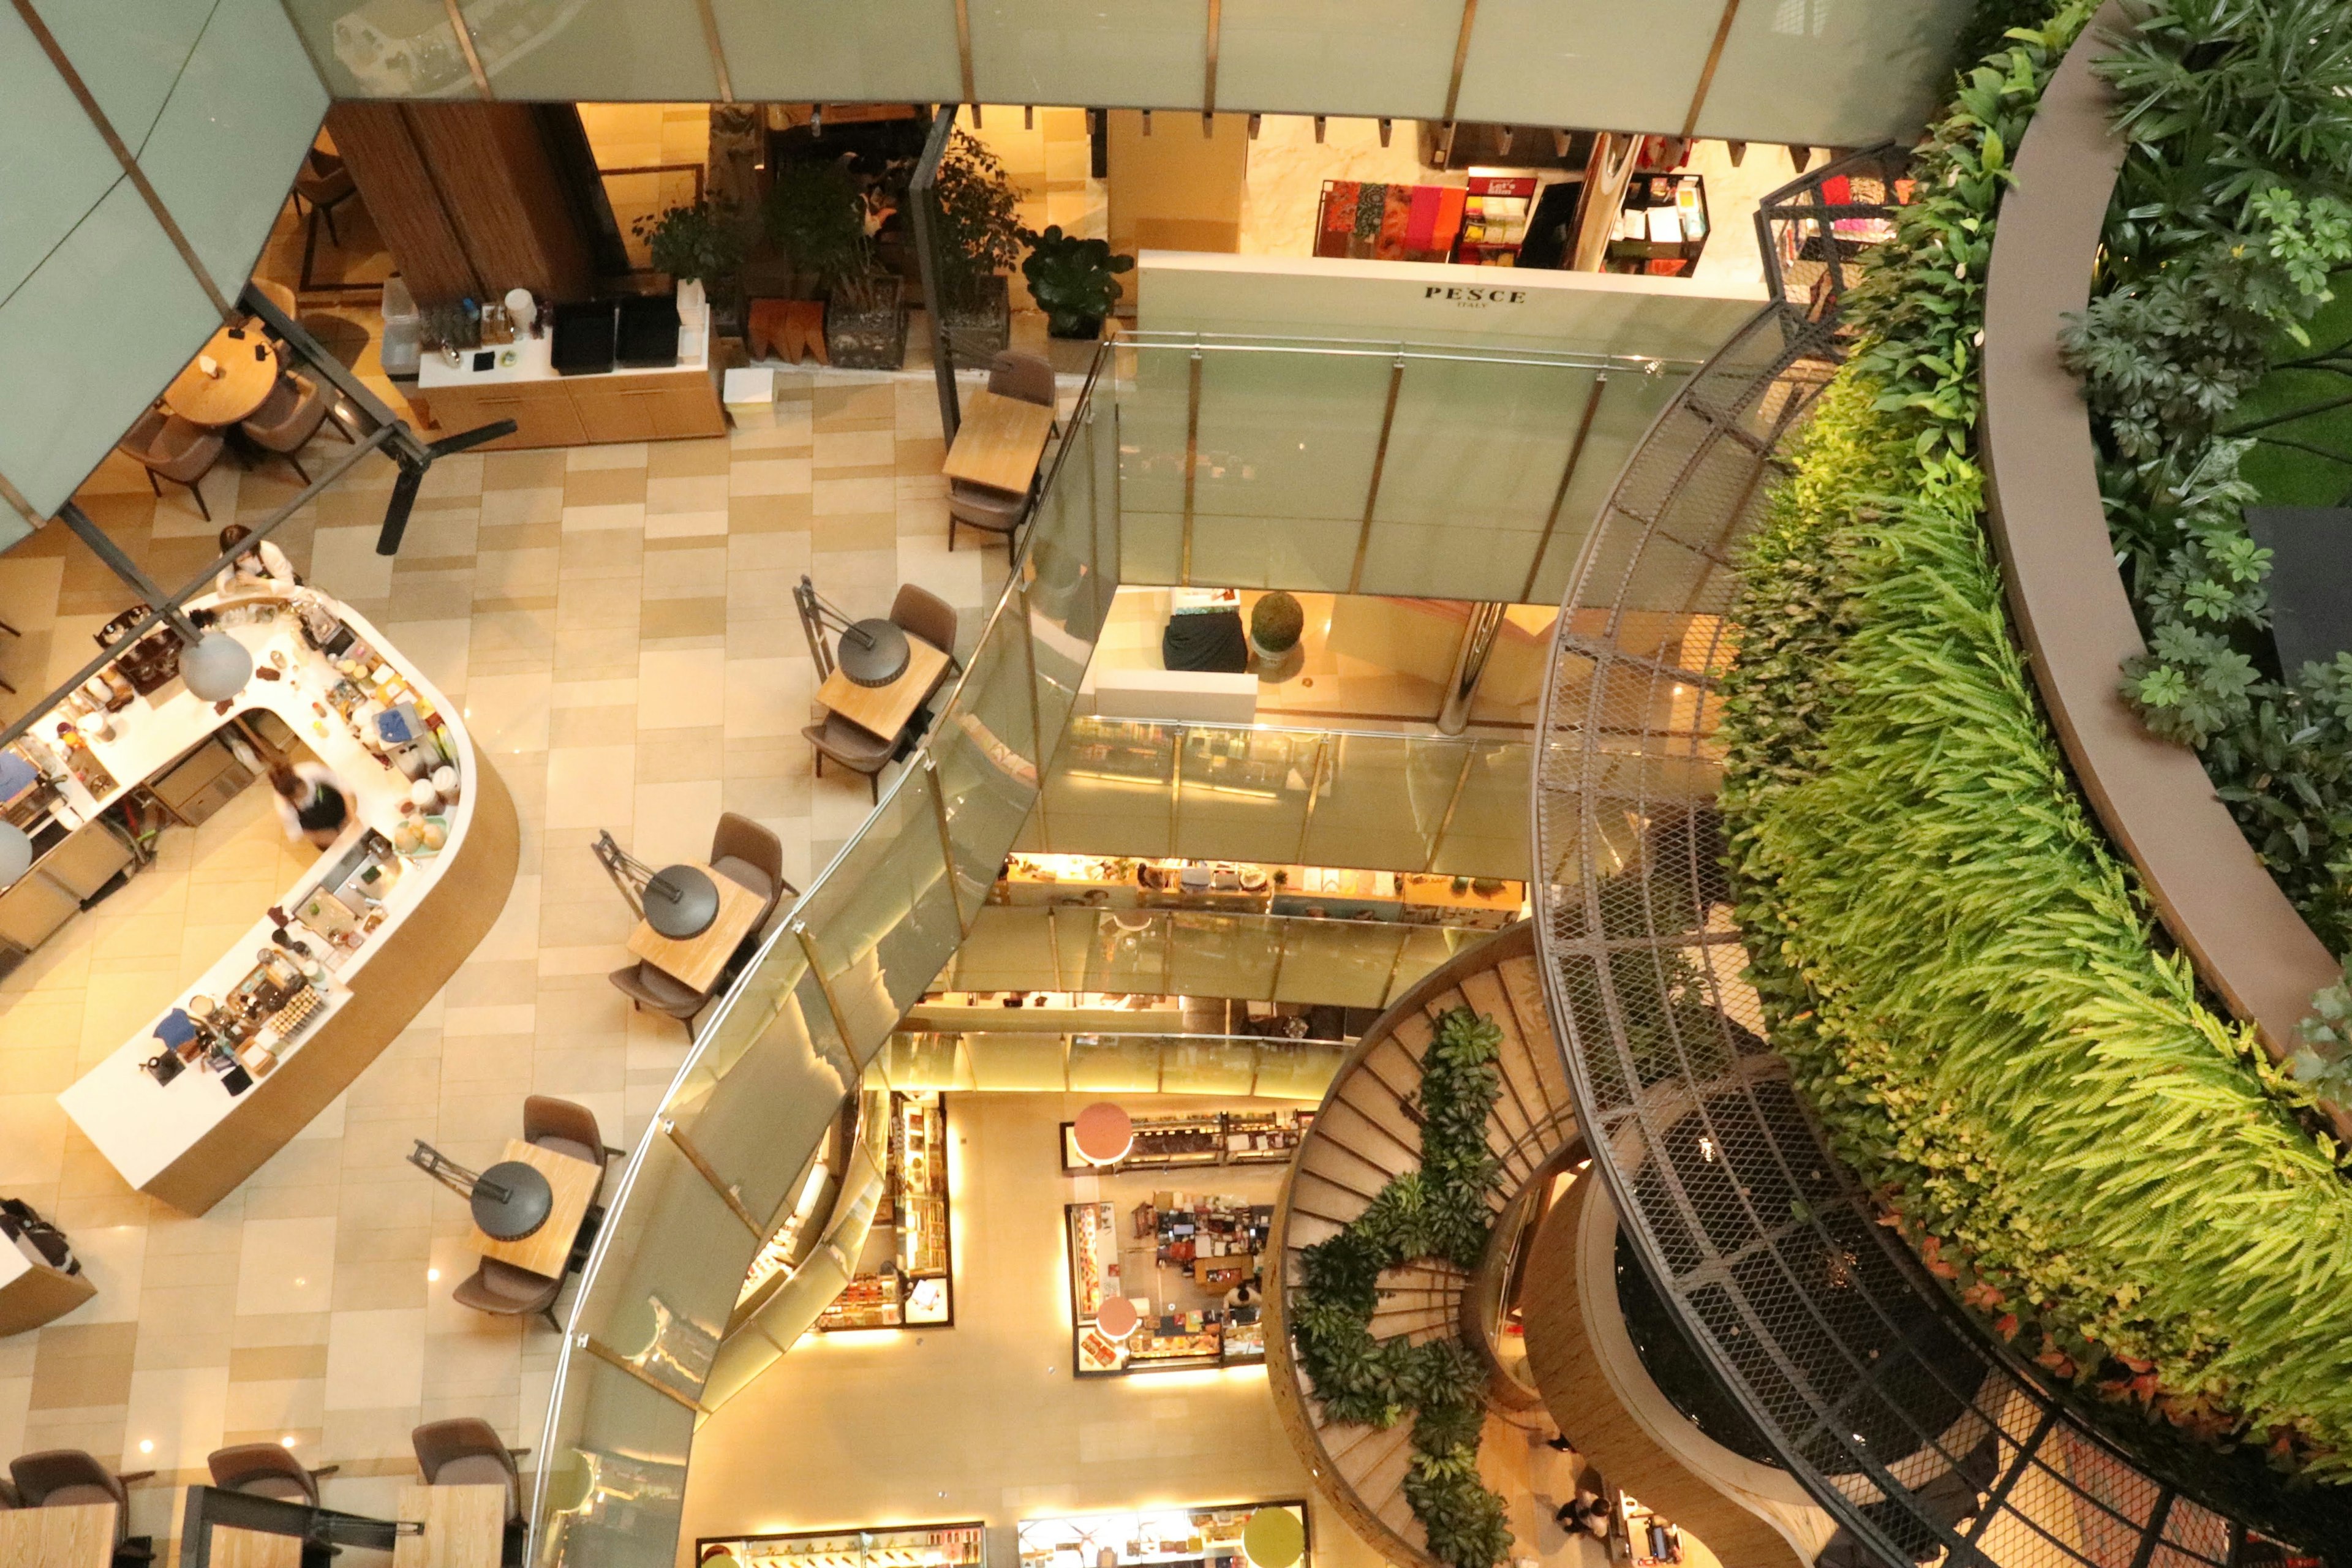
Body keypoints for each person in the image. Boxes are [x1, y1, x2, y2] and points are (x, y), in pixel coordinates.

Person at [269, 761, 352, 848]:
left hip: (338, 807)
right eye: (296, 797)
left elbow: (344, 786)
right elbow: (297, 833)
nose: (302, 796)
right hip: (321, 830)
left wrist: (351, 815)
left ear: (301, 782)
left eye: (303, 790)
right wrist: (319, 837)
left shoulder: (313, 771)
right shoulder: (283, 806)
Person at [216, 524, 299, 596]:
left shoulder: (269, 551)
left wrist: (256, 581)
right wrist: (235, 581)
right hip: (249, 597)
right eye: (237, 556)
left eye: (245, 551)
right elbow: (222, 589)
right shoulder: (227, 557)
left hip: (278, 594)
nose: (243, 557)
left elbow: (288, 586)